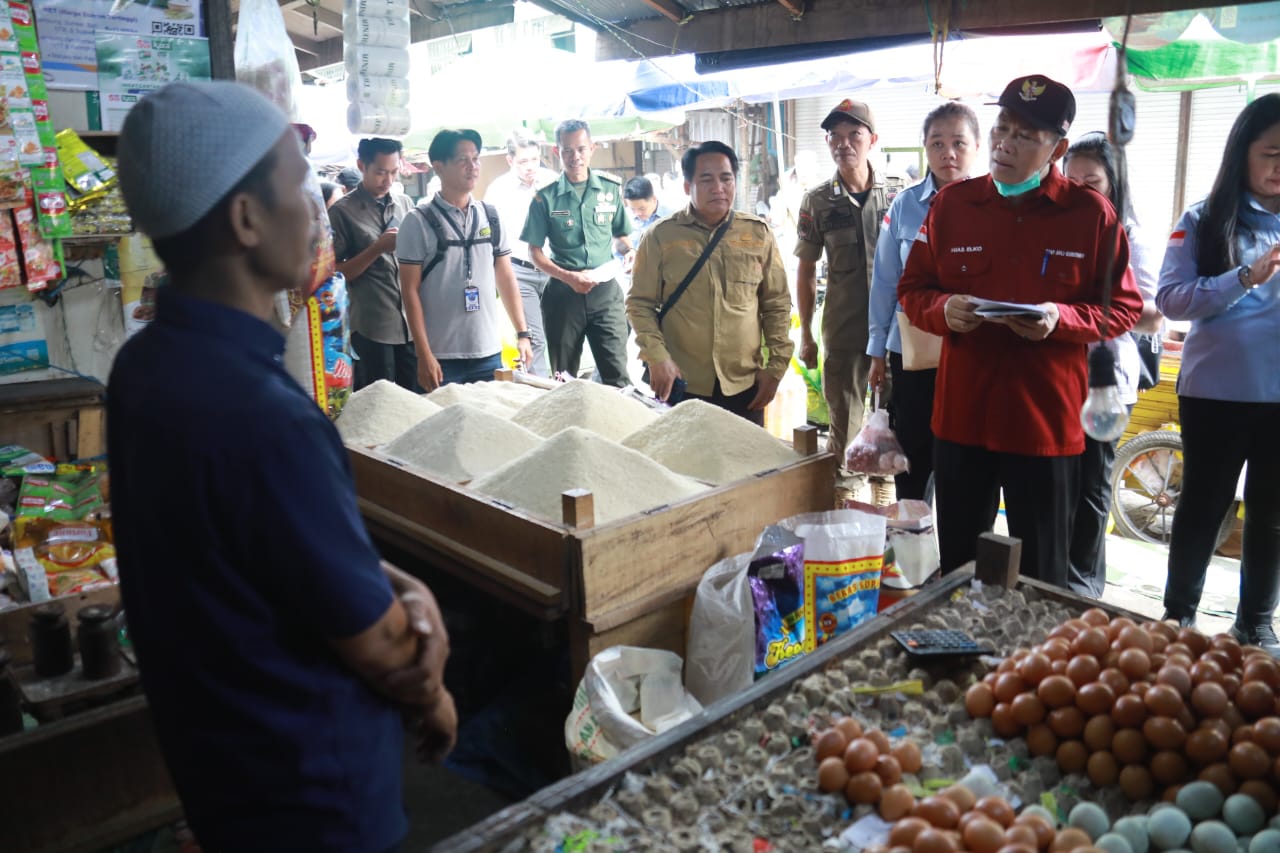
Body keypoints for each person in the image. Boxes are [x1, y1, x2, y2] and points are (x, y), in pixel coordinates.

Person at [109, 81, 455, 852]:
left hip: (221, 770)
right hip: (312, 798)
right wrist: (432, 687)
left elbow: (261, 550)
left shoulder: (143, 368)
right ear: (245, 219)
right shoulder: (264, 414)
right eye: (297, 179)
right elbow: (385, 648)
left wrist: (405, 581)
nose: (313, 204)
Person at [898, 74, 1143, 588]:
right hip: (965, 415)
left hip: (1044, 423)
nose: (1005, 143)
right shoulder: (953, 206)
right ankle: (964, 659)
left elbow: (1121, 307)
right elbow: (913, 290)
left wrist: (1061, 319)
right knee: (963, 562)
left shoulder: (1090, 215)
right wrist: (945, 310)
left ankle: (1033, 665)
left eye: (1026, 135)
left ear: (1059, 147)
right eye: (1001, 128)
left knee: (1041, 570)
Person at [1157, 93, 1280, 650]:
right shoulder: (1204, 220)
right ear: (1242, 154)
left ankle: (1256, 621)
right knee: (1205, 504)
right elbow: (1172, 300)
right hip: (1216, 394)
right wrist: (1245, 277)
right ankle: (1178, 613)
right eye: (1271, 153)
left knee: (1273, 515)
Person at [1062, 132, 1164, 598]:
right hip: (1059, 371)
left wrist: (1088, 300)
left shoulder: (1131, 235)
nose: (1082, 189)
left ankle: (1084, 581)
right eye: (1073, 179)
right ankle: (1056, 572)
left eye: (1093, 181)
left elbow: (1152, 313)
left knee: (1092, 483)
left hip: (1105, 379)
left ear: (1114, 182)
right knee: (1059, 479)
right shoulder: (1059, 229)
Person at [627, 141, 793, 424]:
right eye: (707, 179)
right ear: (687, 186)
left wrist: (776, 367)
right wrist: (657, 357)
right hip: (683, 383)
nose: (719, 187)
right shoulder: (660, 237)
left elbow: (776, 304)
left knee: (747, 464)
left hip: (744, 384)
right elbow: (639, 305)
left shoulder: (757, 234)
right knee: (685, 466)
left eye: (726, 178)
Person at [867, 102, 982, 503]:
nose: (948, 153)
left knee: (962, 457)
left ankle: (955, 556)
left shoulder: (992, 206)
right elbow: (884, 282)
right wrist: (876, 351)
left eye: (958, 143)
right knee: (913, 454)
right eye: (937, 143)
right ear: (925, 148)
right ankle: (911, 550)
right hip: (912, 352)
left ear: (977, 146)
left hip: (972, 352)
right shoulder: (904, 205)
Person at [397, 129, 534, 390]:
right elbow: (409, 292)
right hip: (441, 357)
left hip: (488, 353)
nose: (472, 167)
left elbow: (505, 277)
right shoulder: (417, 222)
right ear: (438, 167)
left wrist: (523, 333)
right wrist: (424, 354)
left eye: (476, 159)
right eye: (463, 160)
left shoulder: (490, 216)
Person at [796, 99, 892, 465]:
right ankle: (845, 502)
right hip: (844, 329)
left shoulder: (899, 194)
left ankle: (886, 502)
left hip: (895, 333)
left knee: (892, 426)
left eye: (854, 134)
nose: (844, 143)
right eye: (835, 136)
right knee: (844, 430)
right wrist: (806, 334)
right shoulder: (818, 201)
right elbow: (806, 270)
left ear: (873, 140)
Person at [521, 119, 633, 385]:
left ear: (592, 148)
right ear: (557, 152)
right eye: (568, 150)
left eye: (581, 149)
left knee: (617, 375)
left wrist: (629, 250)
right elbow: (534, 253)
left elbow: (620, 236)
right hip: (563, 295)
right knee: (563, 379)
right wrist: (568, 277)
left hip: (605, 293)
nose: (575, 157)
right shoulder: (544, 197)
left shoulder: (610, 189)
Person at [329, 137, 417, 391]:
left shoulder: (405, 205)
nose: (388, 180)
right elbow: (333, 275)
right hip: (372, 326)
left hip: (410, 325)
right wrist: (376, 249)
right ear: (361, 165)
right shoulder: (342, 212)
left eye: (394, 172)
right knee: (379, 405)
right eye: (380, 172)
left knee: (414, 404)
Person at [483, 130, 557, 376]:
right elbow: (492, 240)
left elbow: (566, 223)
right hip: (519, 272)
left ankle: (564, 386)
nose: (530, 167)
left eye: (534, 160)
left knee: (560, 334)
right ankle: (540, 395)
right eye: (523, 161)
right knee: (534, 338)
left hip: (554, 270)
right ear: (510, 160)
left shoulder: (553, 182)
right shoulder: (497, 192)